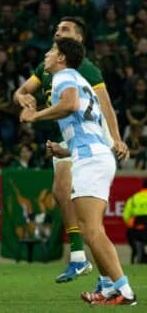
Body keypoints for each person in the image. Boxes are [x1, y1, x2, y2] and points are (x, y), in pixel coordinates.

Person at [20, 38, 136, 306]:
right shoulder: (79, 79)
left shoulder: (63, 77)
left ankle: (124, 291)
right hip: (93, 154)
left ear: (62, 58)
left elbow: (70, 104)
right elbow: (86, 124)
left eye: (52, 51)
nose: (47, 55)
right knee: (91, 229)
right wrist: (65, 150)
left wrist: (35, 116)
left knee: (91, 230)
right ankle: (110, 289)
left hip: (91, 159)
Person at [123, 179, 147, 264]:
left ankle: (137, 257)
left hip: (137, 232)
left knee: (133, 236)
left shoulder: (133, 198)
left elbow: (126, 216)